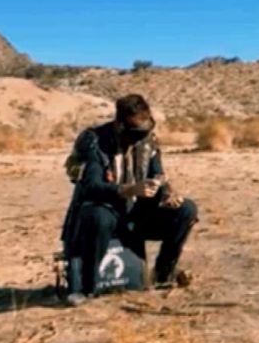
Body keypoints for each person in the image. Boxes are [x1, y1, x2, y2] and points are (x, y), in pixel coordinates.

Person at [60, 94, 198, 305]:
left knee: (186, 210)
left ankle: (163, 274)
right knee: (98, 216)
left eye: (146, 130)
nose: (140, 138)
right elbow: (91, 187)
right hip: (102, 214)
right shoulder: (94, 141)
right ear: (119, 125)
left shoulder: (148, 142)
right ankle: (87, 286)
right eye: (135, 133)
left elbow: (157, 175)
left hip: (136, 214)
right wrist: (129, 189)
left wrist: (167, 192)